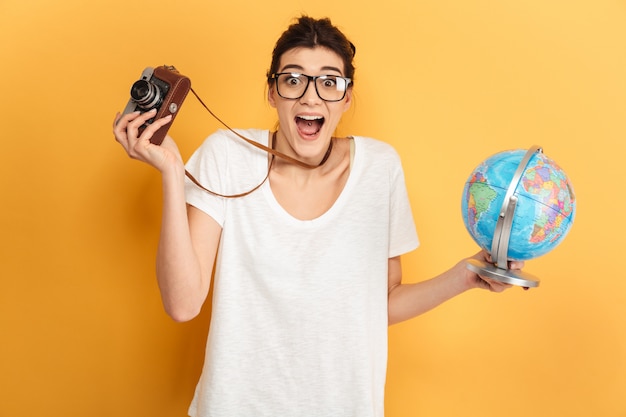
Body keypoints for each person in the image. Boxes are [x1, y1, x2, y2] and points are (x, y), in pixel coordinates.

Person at [113, 15, 520, 417]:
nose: (311, 98)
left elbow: (381, 303)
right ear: (273, 93)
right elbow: (183, 304)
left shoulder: (380, 168)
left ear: (346, 98)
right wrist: (170, 172)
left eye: (329, 82)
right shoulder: (227, 156)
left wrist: (466, 275)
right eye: (293, 80)